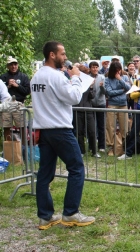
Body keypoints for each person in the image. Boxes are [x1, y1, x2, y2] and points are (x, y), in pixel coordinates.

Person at [30, 41, 95, 230]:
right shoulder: (56, 77)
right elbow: (74, 98)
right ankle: (71, 213)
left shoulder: (36, 77)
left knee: (45, 173)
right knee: (76, 168)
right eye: (62, 54)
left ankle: (45, 216)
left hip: (44, 130)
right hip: (60, 129)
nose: (65, 57)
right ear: (52, 55)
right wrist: (75, 77)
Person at [0, 56, 31, 143]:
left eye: (15, 64)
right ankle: (8, 148)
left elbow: (27, 91)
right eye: (11, 64)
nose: (13, 66)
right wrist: (8, 86)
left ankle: (24, 148)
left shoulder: (23, 76)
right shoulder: (3, 77)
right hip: (6, 105)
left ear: (17, 65)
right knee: (6, 127)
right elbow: (1, 92)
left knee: (22, 127)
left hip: (19, 105)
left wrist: (17, 86)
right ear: (7, 66)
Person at [73, 65, 100, 158]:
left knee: (92, 131)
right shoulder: (74, 82)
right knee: (79, 131)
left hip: (88, 109)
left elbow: (92, 96)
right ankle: (81, 151)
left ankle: (94, 151)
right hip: (77, 109)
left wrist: (91, 87)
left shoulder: (88, 83)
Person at [104, 61, 130, 156]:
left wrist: (120, 80)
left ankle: (124, 146)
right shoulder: (107, 79)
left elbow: (129, 88)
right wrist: (122, 91)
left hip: (123, 104)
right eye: (116, 70)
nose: (118, 72)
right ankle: (111, 147)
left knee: (124, 126)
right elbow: (109, 92)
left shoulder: (125, 77)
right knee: (110, 127)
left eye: (119, 70)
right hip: (112, 104)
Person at [88, 61, 106, 152]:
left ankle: (101, 146)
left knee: (101, 125)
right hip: (91, 104)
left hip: (101, 104)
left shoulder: (102, 77)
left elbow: (104, 92)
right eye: (93, 67)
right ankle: (91, 146)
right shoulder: (87, 78)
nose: (95, 69)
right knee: (91, 127)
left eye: (96, 67)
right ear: (90, 68)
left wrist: (102, 87)